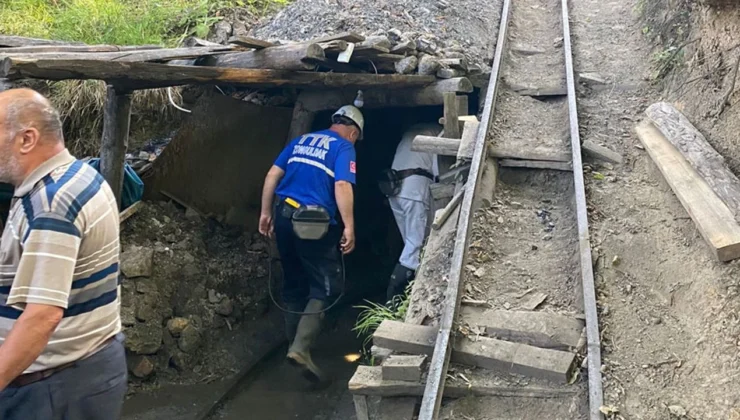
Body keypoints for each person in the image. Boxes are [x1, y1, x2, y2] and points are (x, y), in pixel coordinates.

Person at [0, 88, 126, 419]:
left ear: (26, 139)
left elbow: (42, 316)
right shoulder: (79, 176)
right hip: (86, 369)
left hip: (54, 389)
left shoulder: (51, 205)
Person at [259, 104, 363, 383]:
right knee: (327, 285)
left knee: (294, 280)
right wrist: (349, 226)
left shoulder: (301, 140)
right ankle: (301, 349)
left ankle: (292, 345)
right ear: (353, 132)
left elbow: (272, 175)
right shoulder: (344, 148)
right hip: (313, 224)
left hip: (283, 214)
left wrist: (266, 212)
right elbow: (342, 185)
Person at [384, 123, 439, 302]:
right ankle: (396, 296)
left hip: (393, 189)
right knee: (414, 246)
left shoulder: (408, 133)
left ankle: (400, 293)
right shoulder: (439, 135)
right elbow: (439, 172)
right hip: (414, 190)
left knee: (409, 242)